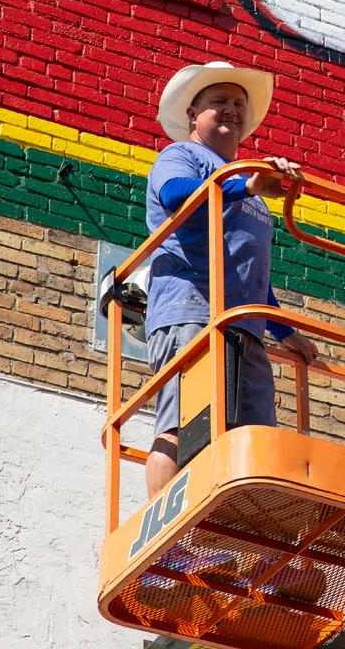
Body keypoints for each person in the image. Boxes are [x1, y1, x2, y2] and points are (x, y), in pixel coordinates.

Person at [144, 61, 317, 498]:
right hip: (191, 311)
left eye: (238, 103)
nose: (231, 109)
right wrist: (248, 187)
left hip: (244, 325)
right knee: (182, 424)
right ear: (192, 114)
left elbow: (247, 271)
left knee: (254, 442)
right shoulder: (181, 156)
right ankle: (165, 523)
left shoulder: (240, 179)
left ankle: (239, 528)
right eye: (218, 101)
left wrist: (284, 331)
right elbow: (175, 195)